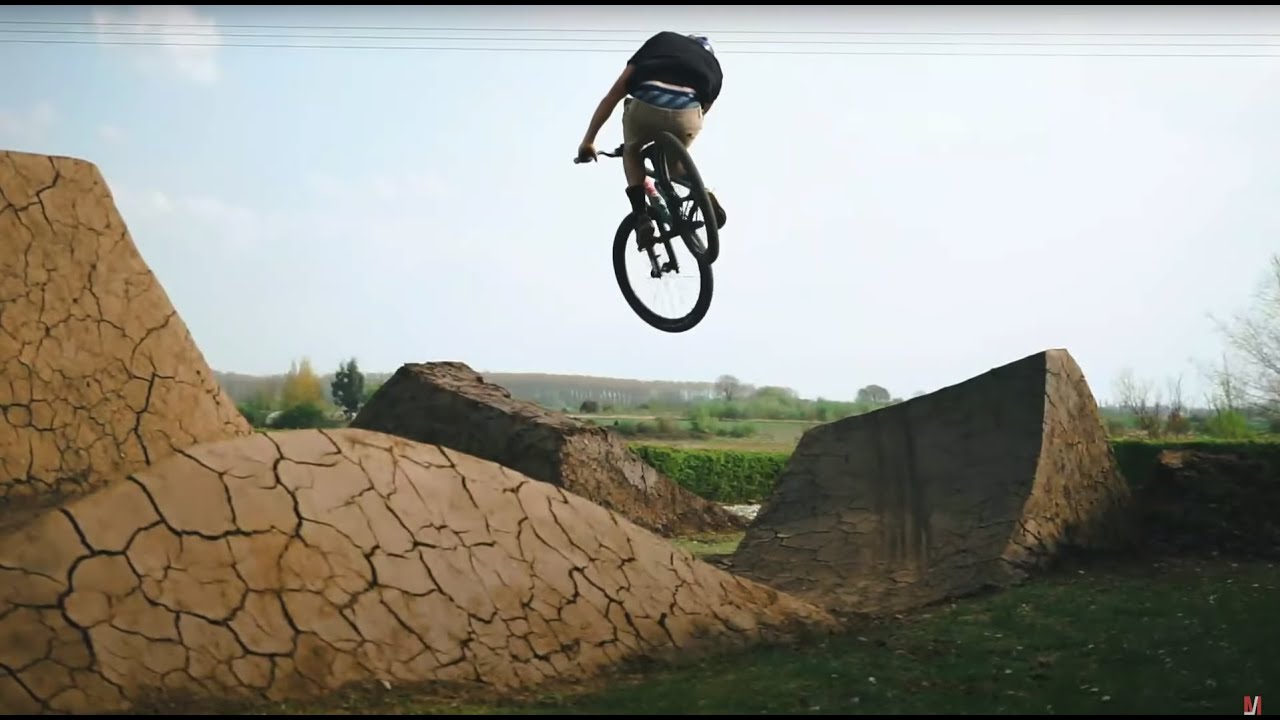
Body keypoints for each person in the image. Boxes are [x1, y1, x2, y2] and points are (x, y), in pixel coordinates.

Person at [575, 31, 727, 248]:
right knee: (674, 166)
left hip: (645, 111)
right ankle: (702, 194)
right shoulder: (713, 66)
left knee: (632, 152)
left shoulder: (662, 41)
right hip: (686, 117)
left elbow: (612, 96)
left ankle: (641, 217)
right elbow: (703, 111)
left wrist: (589, 141)